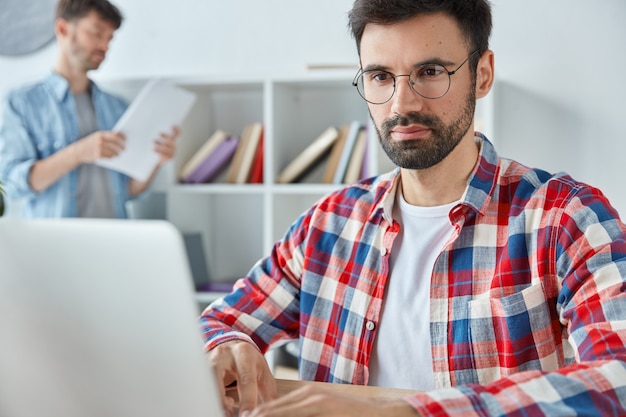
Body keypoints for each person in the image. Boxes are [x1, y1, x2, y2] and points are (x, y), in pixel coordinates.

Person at [200, 0, 626, 416]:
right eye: (381, 76)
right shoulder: (329, 224)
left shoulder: (566, 216)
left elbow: (617, 379)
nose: (402, 104)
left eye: (430, 72)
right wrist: (223, 343)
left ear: (482, 75)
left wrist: (406, 410)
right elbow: (217, 322)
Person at [0, 0, 178, 218]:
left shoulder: (117, 107)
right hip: (54, 246)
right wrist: (78, 153)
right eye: (97, 33)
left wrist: (154, 161)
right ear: (63, 29)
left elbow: (128, 191)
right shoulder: (22, 103)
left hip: (113, 241)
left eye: (109, 38)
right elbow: (12, 185)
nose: (105, 46)